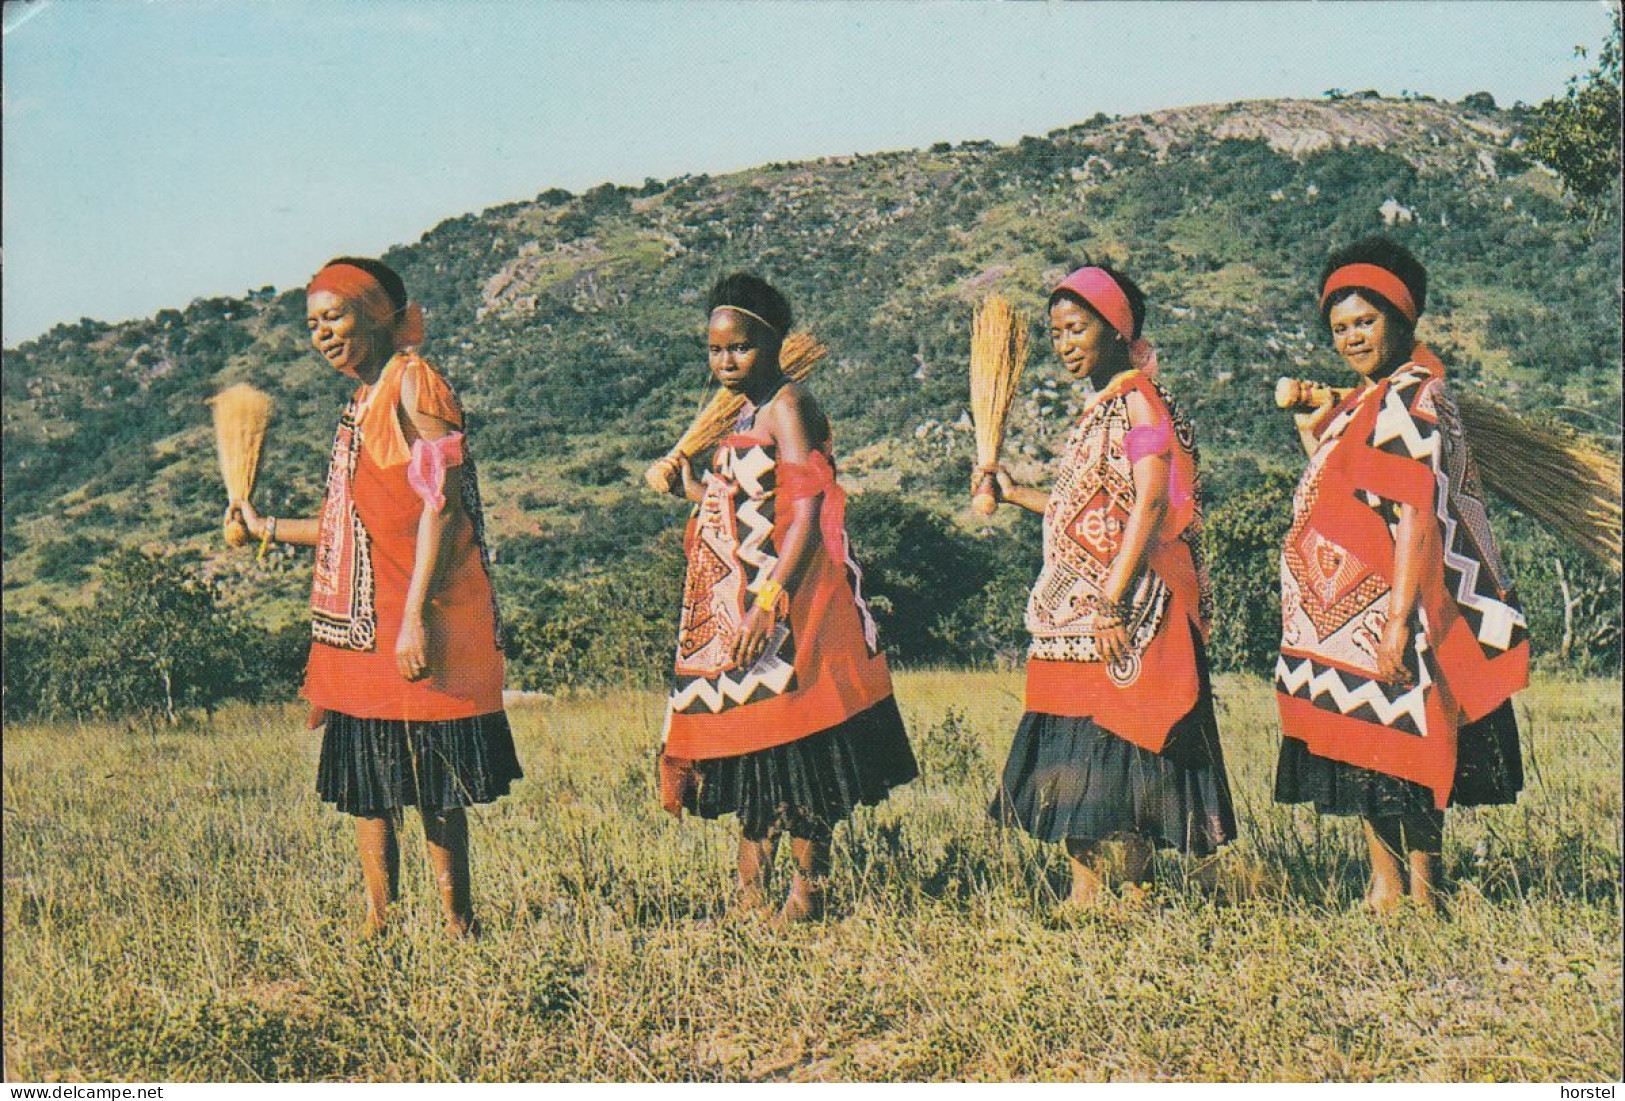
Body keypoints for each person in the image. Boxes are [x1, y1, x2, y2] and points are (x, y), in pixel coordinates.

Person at [232, 257, 521, 938]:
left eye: (334, 316)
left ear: (377, 313)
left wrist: (415, 615)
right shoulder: (361, 402)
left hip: (412, 609)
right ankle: (378, 919)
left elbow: (443, 507)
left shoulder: (415, 383)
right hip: (363, 620)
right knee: (370, 775)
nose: (322, 333)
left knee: (433, 775)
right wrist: (263, 527)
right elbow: (347, 526)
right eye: (312, 324)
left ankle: (457, 920)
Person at [652, 273, 917, 924]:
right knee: (756, 751)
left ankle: (807, 892)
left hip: (793, 606)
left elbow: (811, 504)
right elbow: (744, 503)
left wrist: (768, 601)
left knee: (798, 754)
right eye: (715, 350)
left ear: (774, 343)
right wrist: (689, 486)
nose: (725, 360)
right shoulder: (742, 413)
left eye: (739, 347)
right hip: (741, 606)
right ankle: (748, 897)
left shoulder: (789, 406)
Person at [1274, 237, 1528, 914]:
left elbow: (1414, 508)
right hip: (1343, 616)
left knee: (1409, 748)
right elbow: (1346, 484)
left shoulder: (1414, 395)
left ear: (1400, 318)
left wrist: (1394, 621)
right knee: (1365, 751)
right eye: (1338, 328)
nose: (1351, 337)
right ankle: (1384, 887)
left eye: (1364, 320)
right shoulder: (1370, 399)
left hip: (1395, 603)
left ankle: (1425, 892)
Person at [985, 265, 1236, 907]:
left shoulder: (1141, 406)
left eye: (1077, 329)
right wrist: (1015, 494)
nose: (1064, 343)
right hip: (1083, 611)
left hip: (1124, 610)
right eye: (1056, 333)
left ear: (1117, 329)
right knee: (1090, 745)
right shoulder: (1105, 410)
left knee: (1115, 745)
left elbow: (1152, 500)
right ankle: (1111, 890)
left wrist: (1112, 599)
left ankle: (1107, 890)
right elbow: (1087, 510)